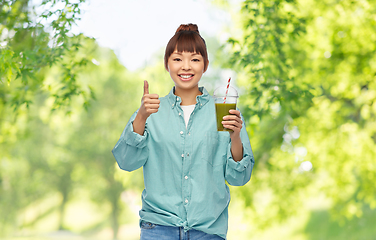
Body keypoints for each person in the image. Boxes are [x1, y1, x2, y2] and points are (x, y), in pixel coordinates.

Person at [112, 23, 254, 240]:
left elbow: (238, 178)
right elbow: (127, 162)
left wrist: (235, 137)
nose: (186, 66)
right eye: (177, 59)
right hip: (158, 228)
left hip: (207, 231)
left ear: (205, 65)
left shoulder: (223, 110)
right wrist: (140, 117)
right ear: (167, 64)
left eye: (195, 59)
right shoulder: (151, 111)